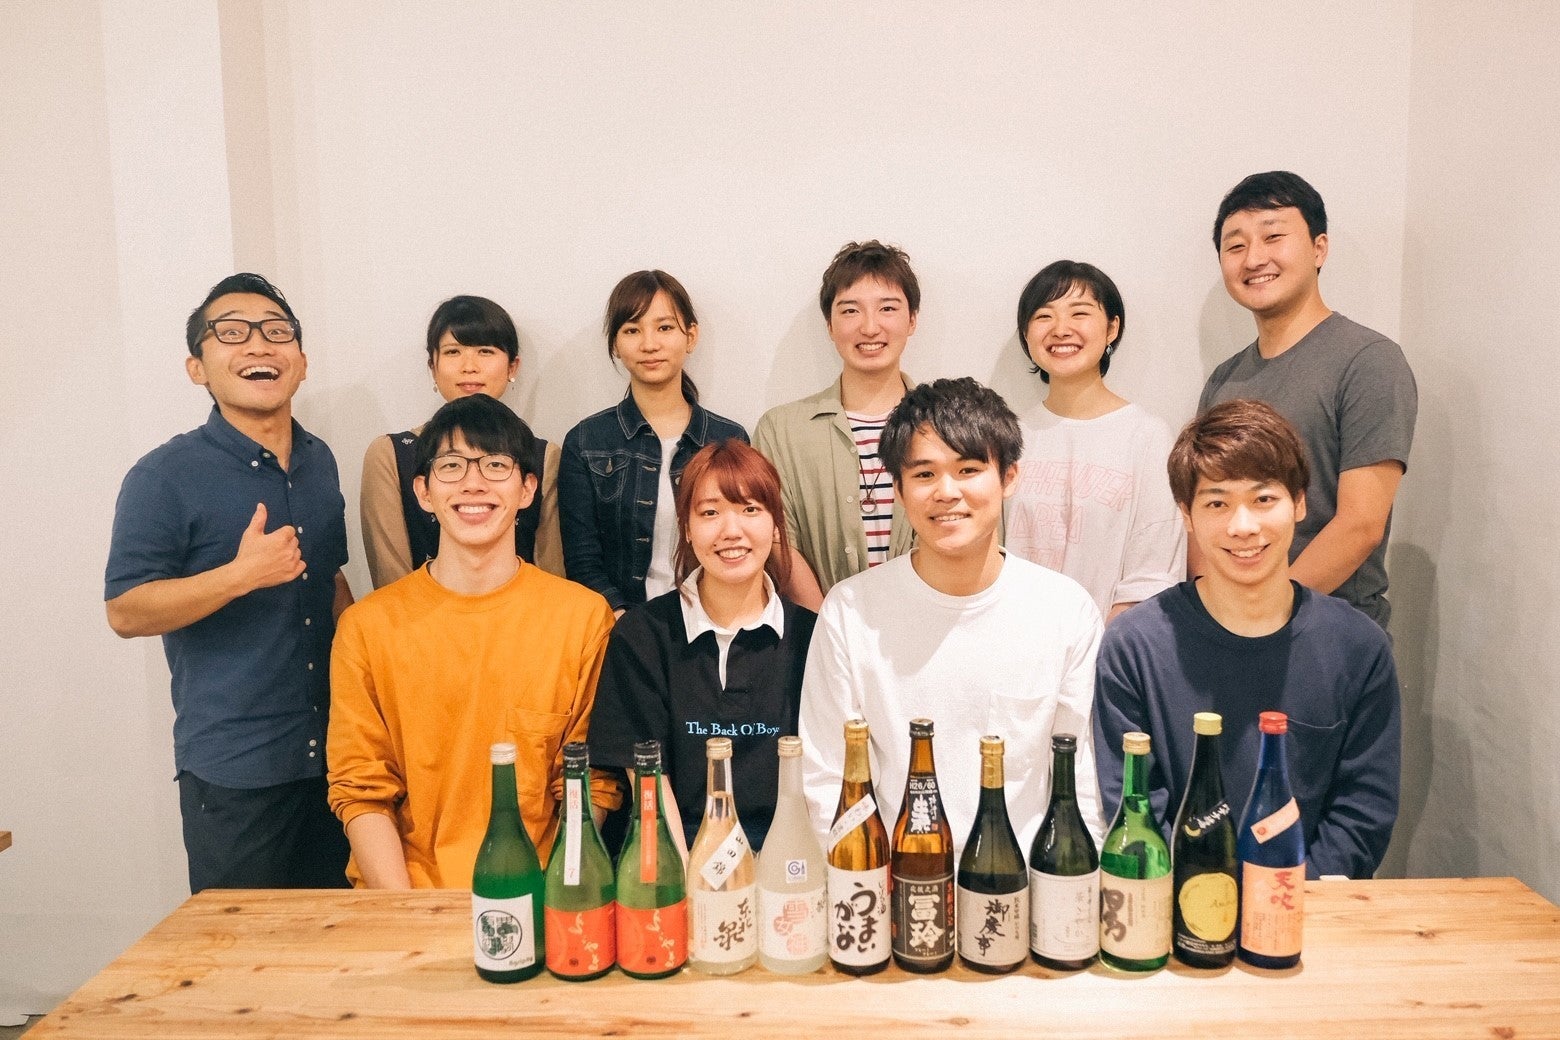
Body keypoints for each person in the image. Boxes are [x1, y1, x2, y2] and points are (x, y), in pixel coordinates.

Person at [105, 272, 353, 893]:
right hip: (236, 770)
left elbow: (330, 578)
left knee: (341, 938)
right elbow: (126, 610)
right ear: (198, 368)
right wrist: (239, 576)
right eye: (232, 332)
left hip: (338, 759)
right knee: (239, 945)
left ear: (302, 363)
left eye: (277, 331)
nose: (259, 345)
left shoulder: (320, 460)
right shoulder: (164, 475)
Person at [1094, 399, 1401, 879]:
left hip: (1306, 905)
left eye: (1264, 500)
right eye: (1217, 503)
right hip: (1177, 907)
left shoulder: (1358, 648)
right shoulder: (1134, 647)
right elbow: (1137, 811)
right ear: (1187, 515)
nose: (1243, 527)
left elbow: (1361, 815)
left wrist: (1275, 902)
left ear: (1299, 502)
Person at [799, 377, 1107, 854]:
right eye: (924, 474)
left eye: (968, 469)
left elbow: (1084, 781)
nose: (946, 492)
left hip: (1026, 881)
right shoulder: (851, 612)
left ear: (1008, 478)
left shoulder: (1065, 611)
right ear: (898, 490)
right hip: (895, 880)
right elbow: (827, 781)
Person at [328, 394, 617, 888]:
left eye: (496, 465)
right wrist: (409, 914)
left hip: (540, 893)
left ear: (528, 489)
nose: (473, 482)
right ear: (423, 492)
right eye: (452, 466)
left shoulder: (583, 619)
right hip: (405, 898)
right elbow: (361, 789)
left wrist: (550, 899)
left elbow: (591, 783)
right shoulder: (366, 627)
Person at [1201, 171, 1417, 628]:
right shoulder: (1224, 380)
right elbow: (1206, 510)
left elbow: (1360, 525)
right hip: (1233, 627)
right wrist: (1212, 615)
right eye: (1235, 246)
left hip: (1332, 630)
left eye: (1273, 237)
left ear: (1319, 248)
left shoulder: (1368, 360)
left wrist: (1264, 615)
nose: (1254, 258)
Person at [588, 440, 817, 851]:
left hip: (789, 851)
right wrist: (686, 875)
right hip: (680, 847)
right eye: (710, 512)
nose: (732, 531)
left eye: (750, 509)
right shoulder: (642, 635)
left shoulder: (812, 636)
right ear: (687, 529)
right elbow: (649, 783)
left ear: (775, 525)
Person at [1005, 260, 1185, 622]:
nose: (1061, 329)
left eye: (1080, 313)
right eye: (1044, 316)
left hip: (1112, 645)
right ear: (1026, 333)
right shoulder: (1011, 436)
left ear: (1111, 328)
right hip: (1017, 641)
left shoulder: (1147, 436)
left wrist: (1105, 647)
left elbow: (1153, 573)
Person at [560, 270, 747, 615]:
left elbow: (740, 545)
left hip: (712, 620)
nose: (649, 344)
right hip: (620, 625)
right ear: (615, 344)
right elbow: (582, 561)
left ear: (691, 336)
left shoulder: (728, 439)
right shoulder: (586, 442)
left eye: (664, 328)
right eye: (632, 330)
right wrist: (629, 628)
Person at [753, 240, 923, 610]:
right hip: (817, 630)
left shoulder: (946, 425)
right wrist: (829, 625)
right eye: (850, 310)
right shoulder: (780, 430)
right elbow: (777, 540)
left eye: (888, 308)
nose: (870, 327)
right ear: (830, 325)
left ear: (912, 320)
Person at [359, 295, 564, 589]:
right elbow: (391, 582)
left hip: (526, 615)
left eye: (485, 351)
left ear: (512, 367)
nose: (469, 366)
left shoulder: (543, 455)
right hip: (416, 615)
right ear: (433, 365)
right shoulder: (390, 455)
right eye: (453, 352)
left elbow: (552, 577)